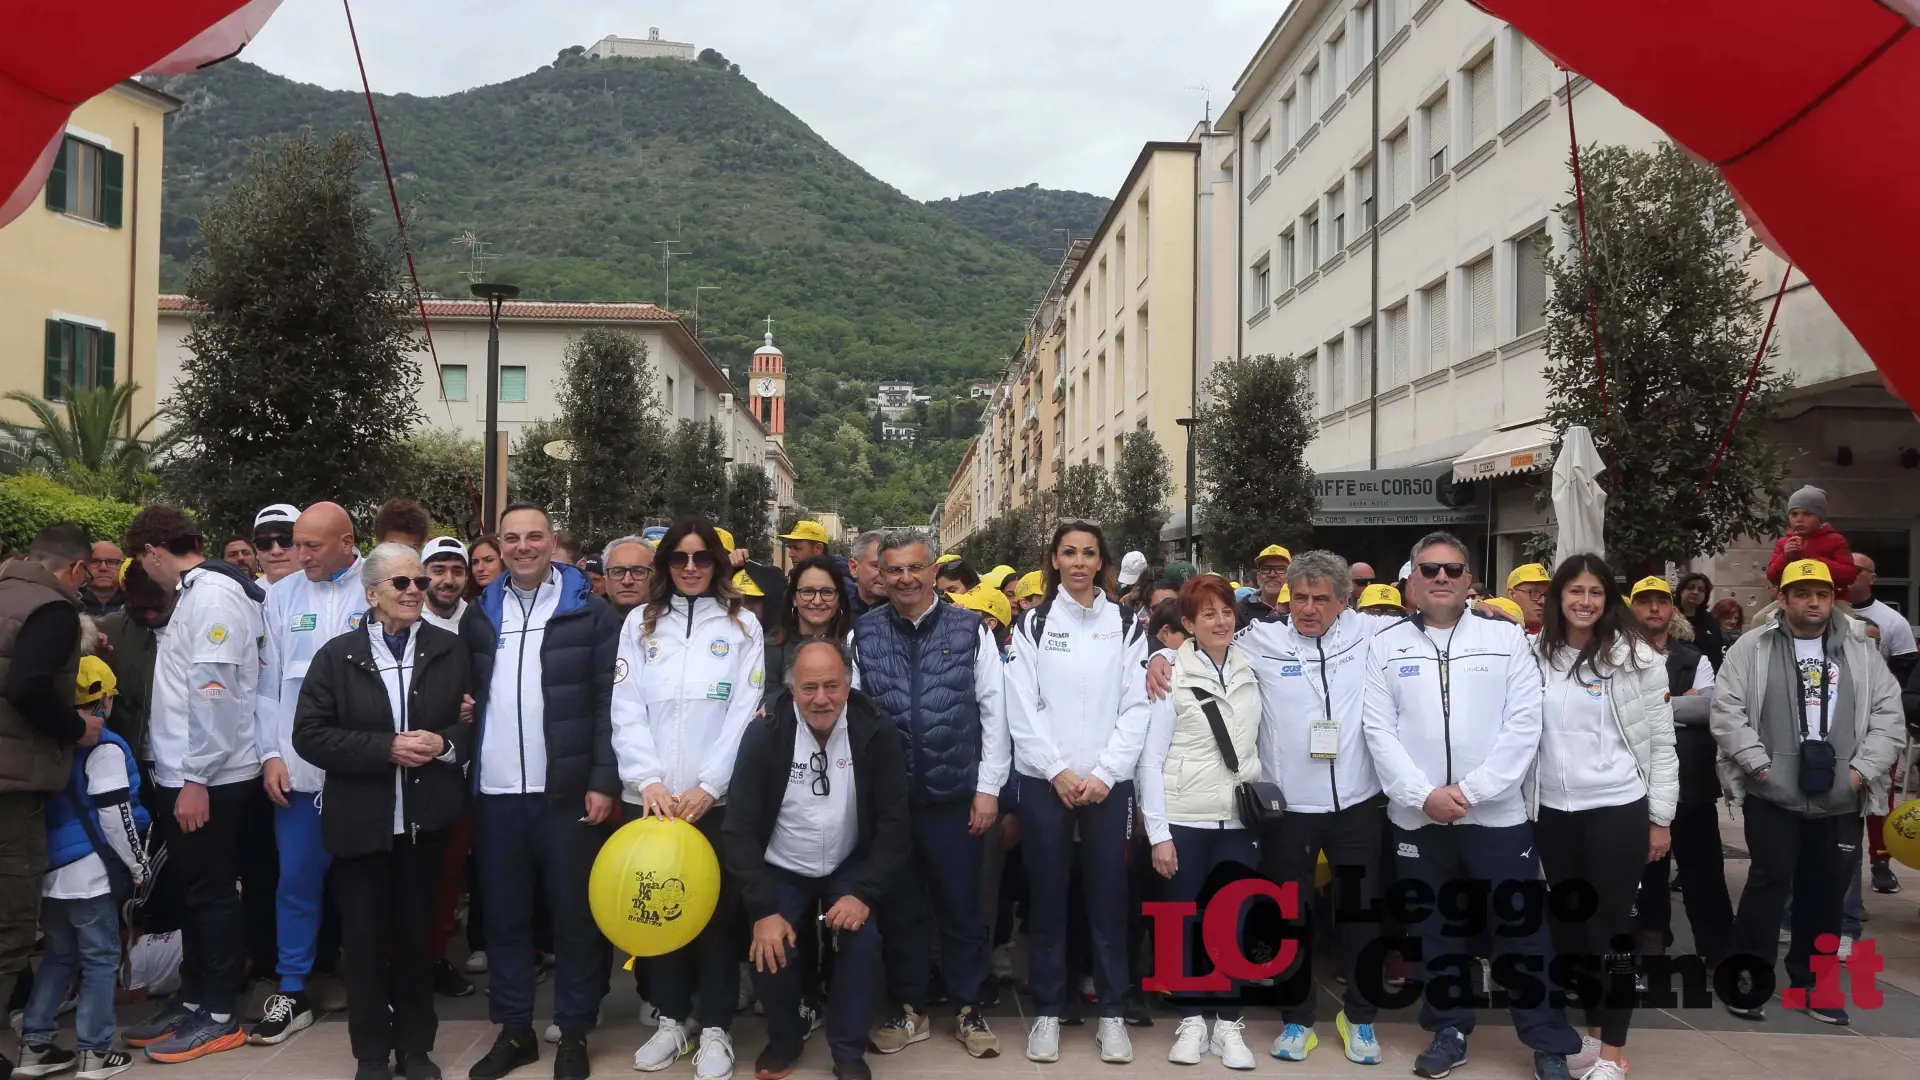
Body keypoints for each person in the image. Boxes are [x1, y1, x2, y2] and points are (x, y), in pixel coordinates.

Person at [1360, 531, 1581, 1080]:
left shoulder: (1506, 642)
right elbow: (1377, 730)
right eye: (1429, 569)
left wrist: (1472, 792)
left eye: (1452, 570)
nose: (1441, 578)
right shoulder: (1385, 645)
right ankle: (1449, 1028)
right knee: (1436, 930)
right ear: (1410, 580)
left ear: (1469, 581)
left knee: (1522, 928)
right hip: (1418, 818)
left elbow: (1524, 724)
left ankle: (1548, 1040)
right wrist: (1422, 796)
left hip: (1497, 818)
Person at [292, 543, 473, 1080]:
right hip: (360, 824)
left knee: (418, 944)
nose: (416, 590)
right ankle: (370, 1056)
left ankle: (416, 1050)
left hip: (425, 823)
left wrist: (442, 744)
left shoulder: (449, 648)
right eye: (401, 583)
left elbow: (473, 722)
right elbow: (310, 734)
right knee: (365, 945)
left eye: (418, 581)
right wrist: (384, 748)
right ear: (372, 594)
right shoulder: (337, 654)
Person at [459, 503, 621, 1080]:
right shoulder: (479, 613)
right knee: (504, 918)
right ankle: (514, 1030)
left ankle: (575, 1028)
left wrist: (603, 779)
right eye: (512, 538)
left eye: (535, 537)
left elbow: (610, 705)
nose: (523, 546)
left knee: (575, 916)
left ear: (553, 542)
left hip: (569, 794)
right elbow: (467, 693)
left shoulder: (591, 611)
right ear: (498, 545)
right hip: (498, 791)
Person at [1711, 558, 1904, 1025]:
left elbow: (1887, 715)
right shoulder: (1751, 648)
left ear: (1833, 596)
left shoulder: (1860, 648)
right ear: (1784, 598)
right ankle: (1747, 982)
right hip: (1772, 791)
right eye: (1802, 593)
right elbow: (1727, 710)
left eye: (1821, 593)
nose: (1813, 601)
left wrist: (1858, 774)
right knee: (1767, 884)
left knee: (1826, 892)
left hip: (1839, 794)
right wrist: (1760, 769)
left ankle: (1812, 987)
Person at [616, 519, 767, 1080]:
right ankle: (672, 1021)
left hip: (714, 804)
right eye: (678, 559)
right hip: (652, 802)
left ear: (718, 564)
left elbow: (743, 716)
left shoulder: (743, 624)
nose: (690, 568)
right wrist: (648, 780)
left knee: (717, 920)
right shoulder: (640, 622)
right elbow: (626, 708)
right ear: (664, 566)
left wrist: (710, 786)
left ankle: (716, 1030)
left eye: (701, 558)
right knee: (660, 913)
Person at [853, 529, 1010, 1061]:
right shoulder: (863, 634)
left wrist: (988, 789)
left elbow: (995, 713)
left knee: (963, 909)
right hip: (890, 805)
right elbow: (852, 720)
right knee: (901, 911)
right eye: (893, 569)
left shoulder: (972, 631)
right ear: (881, 574)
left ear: (932, 570)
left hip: (956, 797)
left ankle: (969, 1007)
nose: (904, 579)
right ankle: (911, 1009)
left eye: (914, 568)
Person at [723, 639, 909, 1080]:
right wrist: (763, 909)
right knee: (769, 946)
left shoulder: (876, 729)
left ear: (848, 685)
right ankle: (785, 1038)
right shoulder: (765, 733)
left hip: (848, 861)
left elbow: (895, 822)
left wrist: (864, 892)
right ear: (791, 690)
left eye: (831, 686)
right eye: (809, 688)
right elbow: (739, 827)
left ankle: (847, 1050)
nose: (821, 699)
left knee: (863, 944)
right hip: (782, 861)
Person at [120, 505, 267, 1064]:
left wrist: (196, 779)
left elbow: (216, 696)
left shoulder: (211, 598)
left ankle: (221, 1013)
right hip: (184, 773)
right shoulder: (195, 591)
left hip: (209, 777)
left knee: (212, 897)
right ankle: (194, 999)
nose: (145, 572)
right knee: (192, 893)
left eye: (142, 561)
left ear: (154, 552)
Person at [1005, 521, 1149, 1065]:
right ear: (1055, 560)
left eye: (1090, 553)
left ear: (1102, 563)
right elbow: (1022, 706)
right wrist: (1058, 769)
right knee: (1048, 899)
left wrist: (1107, 773)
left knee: (1109, 900)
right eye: (1070, 552)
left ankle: (1111, 1013)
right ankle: (1047, 1009)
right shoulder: (1034, 624)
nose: (1080, 562)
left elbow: (1136, 706)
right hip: (1048, 785)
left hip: (1109, 787)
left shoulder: (1127, 624)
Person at [1239, 552, 1391, 1065]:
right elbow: (1203, 652)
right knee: (1289, 914)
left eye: (1319, 599)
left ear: (1343, 602)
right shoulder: (1261, 639)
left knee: (1361, 913)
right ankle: (1297, 1018)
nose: (1307, 609)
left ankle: (1360, 1017)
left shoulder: (1372, 634)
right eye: (1298, 598)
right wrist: (1159, 658)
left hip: (1358, 803)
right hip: (1289, 806)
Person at [1529, 556, 1677, 1080]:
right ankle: (1589, 1040)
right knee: (1568, 931)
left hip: (1617, 808)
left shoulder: (1636, 658)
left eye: (1595, 591)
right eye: (1575, 591)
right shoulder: (1534, 655)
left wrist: (1660, 819)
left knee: (1611, 932)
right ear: (1558, 597)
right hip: (1551, 813)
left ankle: (1611, 1049)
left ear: (1609, 599)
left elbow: (1662, 744)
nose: (1585, 601)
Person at [247, 503, 366, 1046]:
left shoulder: (381, 584)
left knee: (369, 885)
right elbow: (266, 687)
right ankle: (292, 990)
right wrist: (271, 754)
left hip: (365, 774)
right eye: (296, 544)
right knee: (295, 882)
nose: (299, 556)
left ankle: (373, 983)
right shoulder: (281, 596)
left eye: (311, 546)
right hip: (298, 776)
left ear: (347, 541)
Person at [1135, 575, 1259, 1070]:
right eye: (1208, 613)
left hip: (1238, 817)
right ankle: (1190, 1019)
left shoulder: (1254, 665)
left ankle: (1228, 1022)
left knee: (1233, 919)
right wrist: (1158, 833)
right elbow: (1150, 759)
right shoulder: (1167, 674)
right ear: (1186, 624)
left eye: (1226, 610)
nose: (1221, 620)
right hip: (1185, 816)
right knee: (1180, 918)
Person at [16, 656, 149, 1080]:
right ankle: (95, 1051)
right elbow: (116, 816)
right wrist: (138, 866)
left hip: (49, 872)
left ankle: (34, 1047)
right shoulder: (106, 748)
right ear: (105, 700)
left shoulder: (47, 742)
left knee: (57, 957)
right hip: (90, 874)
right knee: (100, 959)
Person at [0, 525, 100, 1079]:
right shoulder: (53, 611)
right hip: (12, 789)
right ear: (78, 568)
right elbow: (28, 686)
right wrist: (74, 727)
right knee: (10, 927)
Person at [1628, 576, 1733, 970]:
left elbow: (1710, 709)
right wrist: (1678, 704)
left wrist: (1653, 708)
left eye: (1661, 601)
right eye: (1645, 601)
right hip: (1640, 783)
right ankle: (1651, 940)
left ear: (1672, 610)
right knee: (1647, 870)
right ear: (1631, 609)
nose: (1653, 608)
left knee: (1704, 870)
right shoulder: (1617, 657)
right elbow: (1618, 713)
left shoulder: (1695, 657)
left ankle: (1718, 947)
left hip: (1693, 782)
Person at [100, 561, 172, 771]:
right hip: (129, 758)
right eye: (140, 608)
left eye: (158, 606)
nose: (149, 615)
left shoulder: (196, 625)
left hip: (184, 758)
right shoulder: (106, 631)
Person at [765, 556, 853, 690]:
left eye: (827, 592)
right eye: (808, 592)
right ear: (794, 598)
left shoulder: (853, 644)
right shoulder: (773, 647)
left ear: (839, 599)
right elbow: (767, 701)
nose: (817, 600)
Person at [1765, 486, 1857, 593]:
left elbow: (1849, 576)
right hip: (1792, 600)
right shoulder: (1784, 542)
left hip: (1832, 600)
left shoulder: (1835, 540)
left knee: (1844, 610)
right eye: (1794, 514)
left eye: (1807, 514)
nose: (1799, 519)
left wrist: (1817, 562)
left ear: (1820, 517)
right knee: (1765, 611)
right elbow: (1772, 577)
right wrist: (1785, 557)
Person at [1674, 573, 1728, 670]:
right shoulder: (1670, 617)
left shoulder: (1711, 621)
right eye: (1690, 587)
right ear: (1681, 591)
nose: (1695, 592)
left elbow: (1716, 654)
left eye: (1701, 590)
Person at [420, 536, 470, 634]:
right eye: (439, 571)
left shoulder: (476, 620)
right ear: (423, 574)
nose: (449, 581)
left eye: (457, 572)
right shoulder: (408, 620)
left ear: (466, 577)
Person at [1235, 545, 1290, 628]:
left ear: (1291, 576)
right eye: (1266, 569)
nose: (1272, 574)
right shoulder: (1239, 611)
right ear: (1258, 577)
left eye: (1280, 569)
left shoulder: (1300, 610)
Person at [602, 536, 656, 621]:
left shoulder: (675, 625)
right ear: (605, 580)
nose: (627, 581)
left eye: (638, 572)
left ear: (655, 578)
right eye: (618, 572)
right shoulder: (588, 625)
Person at [252, 504, 301, 586]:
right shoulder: (245, 597)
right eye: (264, 543)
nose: (276, 551)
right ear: (256, 551)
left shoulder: (327, 593)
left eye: (286, 540)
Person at [80, 541, 126, 616]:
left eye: (112, 562)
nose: (103, 568)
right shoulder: (70, 602)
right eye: (94, 561)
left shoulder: (136, 603)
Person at [1505, 563, 1550, 634]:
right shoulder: (1499, 630)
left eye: (1546, 594)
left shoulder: (1556, 634)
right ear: (1512, 594)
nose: (1542, 601)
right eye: (1534, 593)